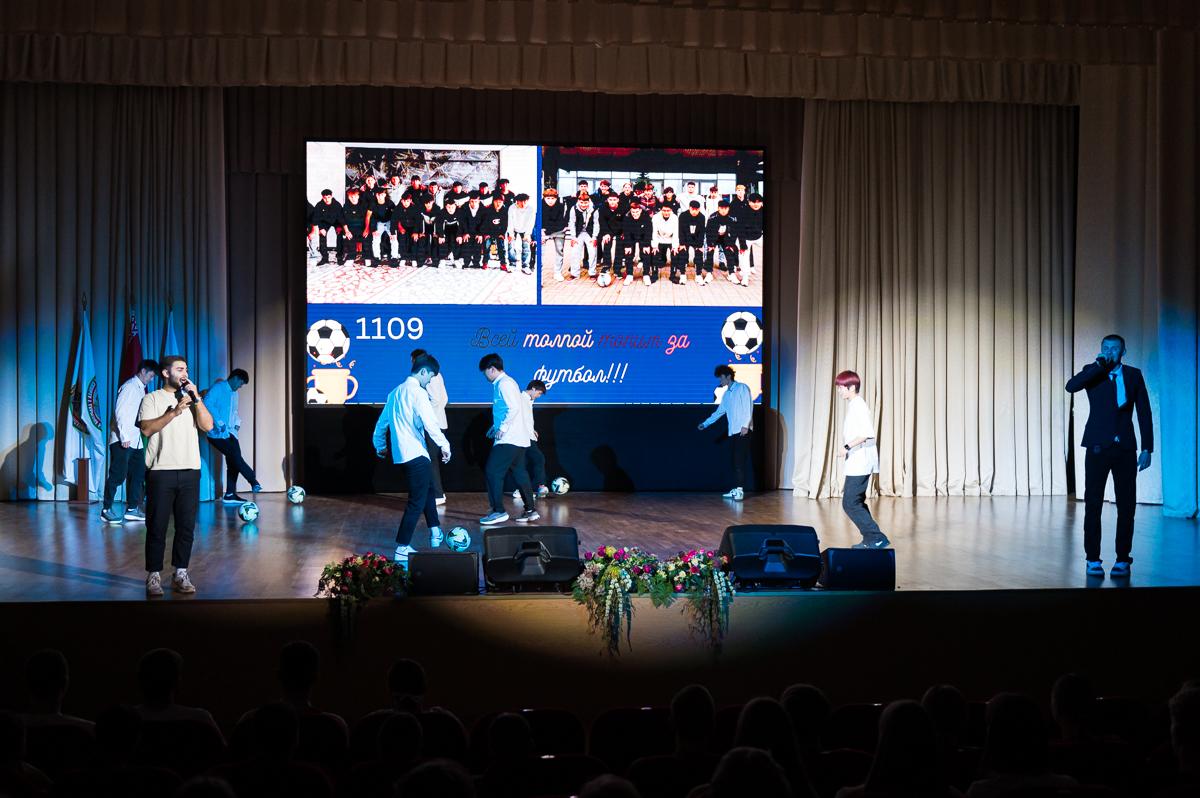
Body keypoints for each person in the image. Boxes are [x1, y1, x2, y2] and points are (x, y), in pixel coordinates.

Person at [1065, 334, 1153, 577]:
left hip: (1125, 448)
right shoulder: (1093, 371)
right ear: (1101, 349)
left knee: (1126, 505)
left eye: (1114, 348)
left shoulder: (1133, 375)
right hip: (1097, 447)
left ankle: (1123, 559)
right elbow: (1071, 386)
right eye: (1106, 348)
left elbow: (1144, 412)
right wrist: (1098, 366)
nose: (1110, 351)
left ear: (1123, 351)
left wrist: (1147, 448)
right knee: (1093, 503)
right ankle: (1092, 558)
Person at [137, 355, 213, 596]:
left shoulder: (192, 399)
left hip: (190, 470)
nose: (185, 374)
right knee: (157, 526)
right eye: (180, 369)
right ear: (165, 373)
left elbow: (208, 426)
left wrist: (196, 398)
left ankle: (181, 573)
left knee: (186, 527)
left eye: (186, 370)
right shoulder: (151, 398)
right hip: (161, 471)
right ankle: (154, 576)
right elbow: (146, 429)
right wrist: (174, 412)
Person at [372, 353, 451, 564]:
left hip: (403, 456)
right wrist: (445, 445)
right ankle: (402, 547)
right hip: (416, 454)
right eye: (430, 376)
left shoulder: (394, 393)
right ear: (423, 371)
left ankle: (435, 530)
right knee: (417, 501)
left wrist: (380, 446)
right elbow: (431, 424)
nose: (430, 381)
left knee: (427, 489)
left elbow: (381, 425)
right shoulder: (417, 393)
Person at [479, 353, 537, 525]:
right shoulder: (507, 383)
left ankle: (498, 511)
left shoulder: (504, 383)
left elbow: (513, 408)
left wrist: (503, 428)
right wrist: (496, 426)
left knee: (492, 471)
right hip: (517, 438)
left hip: (509, 438)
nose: (485, 376)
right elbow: (508, 409)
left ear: (492, 369)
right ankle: (530, 510)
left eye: (485, 372)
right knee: (519, 473)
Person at [835, 370, 889, 548]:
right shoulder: (854, 405)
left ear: (851, 387)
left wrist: (846, 447)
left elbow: (866, 433)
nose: (839, 390)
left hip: (861, 460)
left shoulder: (858, 405)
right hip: (858, 460)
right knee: (855, 501)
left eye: (841, 387)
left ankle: (876, 537)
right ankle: (872, 538)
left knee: (850, 503)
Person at [101, 358, 159, 524]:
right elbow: (120, 411)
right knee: (117, 475)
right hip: (122, 440)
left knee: (138, 474)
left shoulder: (140, 389)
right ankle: (106, 509)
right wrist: (124, 436)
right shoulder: (130, 387)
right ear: (143, 371)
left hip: (136, 441)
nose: (151, 379)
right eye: (151, 375)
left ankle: (132, 509)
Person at [697, 365, 753, 501]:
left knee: (739, 461)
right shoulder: (726, 395)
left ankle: (740, 490)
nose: (720, 381)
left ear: (728, 376)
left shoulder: (742, 388)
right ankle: (736, 488)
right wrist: (705, 423)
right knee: (734, 462)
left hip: (743, 430)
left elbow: (748, 407)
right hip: (733, 432)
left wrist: (745, 425)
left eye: (721, 378)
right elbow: (719, 412)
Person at [205, 369, 261, 504]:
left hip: (230, 433)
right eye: (241, 383)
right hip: (216, 434)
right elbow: (207, 403)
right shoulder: (218, 388)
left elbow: (234, 412)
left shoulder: (235, 394)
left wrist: (237, 423)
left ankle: (230, 494)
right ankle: (253, 481)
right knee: (236, 458)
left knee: (233, 462)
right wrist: (218, 421)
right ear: (235, 378)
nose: (240, 386)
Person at [411, 349, 449, 506]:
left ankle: (438, 495)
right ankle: (436, 493)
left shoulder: (429, 375)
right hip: (439, 422)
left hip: (433, 425)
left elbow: (437, 400)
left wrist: (427, 418)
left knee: (430, 460)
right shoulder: (437, 375)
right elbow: (444, 399)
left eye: (413, 361)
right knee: (430, 460)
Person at [509, 380, 550, 500]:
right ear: (533, 388)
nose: (539, 396)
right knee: (532, 460)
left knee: (529, 461)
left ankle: (527, 489)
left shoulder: (529, 400)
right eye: (539, 393)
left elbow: (526, 418)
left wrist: (532, 430)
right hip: (521, 436)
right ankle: (532, 488)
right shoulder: (520, 398)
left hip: (528, 435)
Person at [566, 192, 599, 278]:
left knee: (592, 252)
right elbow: (572, 223)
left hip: (590, 233)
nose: (583, 205)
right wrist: (573, 237)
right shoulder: (574, 209)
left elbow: (596, 223)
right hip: (578, 233)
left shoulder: (594, 209)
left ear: (589, 201)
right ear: (578, 201)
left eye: (585, 202)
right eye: (581, 202)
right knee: (575, 252)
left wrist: (594, 237)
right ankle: (574, 274)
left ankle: (592, 273)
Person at [308, 190, 344, 266]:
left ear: (331, 196)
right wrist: (321, 228)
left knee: (340, 235)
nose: (327, 199)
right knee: (322, 235)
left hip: (336, 222)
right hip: (324, 222)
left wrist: (339, 226)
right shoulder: (319, 205)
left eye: (328, 197)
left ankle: (339, 257)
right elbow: (316, 218)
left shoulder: (337, 205)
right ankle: (324, 258)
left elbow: (341, 217)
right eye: (325, 198)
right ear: (322, 197)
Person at [619, 202, 652, 286]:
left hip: (643, 236)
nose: (635, 214)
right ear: (630, 210)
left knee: (646, 252)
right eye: (633, 212)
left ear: (640, 210)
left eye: (637, 212)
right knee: (628, 253)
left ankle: (646, 274)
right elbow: (626, 233)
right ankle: (629, 275)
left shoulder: (646, 217)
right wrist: (627, 246)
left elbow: (649, 231)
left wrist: (646, 245)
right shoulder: (627, 217)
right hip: (631, 236)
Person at [679, 200, 710, 285]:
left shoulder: (702, 217)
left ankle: (698, 274)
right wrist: (682, 244)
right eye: (693, 209)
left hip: (696, 238)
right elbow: (680, 231)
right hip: (685, 237)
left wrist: (700, 245)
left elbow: (702, 232)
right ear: (689, 208)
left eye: (696, 210)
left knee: (699, 253)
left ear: (699, 209)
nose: (694, 211)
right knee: (682, 252)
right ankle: (682, 274)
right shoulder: (683, 216)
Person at [651, 203, 683, 284]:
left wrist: (675, 246)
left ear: (671, 210)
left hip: (670, 239)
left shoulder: (675, 218)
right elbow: (654, 232)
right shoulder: (655, 217)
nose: (666, 212)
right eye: (664, 210)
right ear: (661, 210)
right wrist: (654, 246)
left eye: (668, 211)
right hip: (659, 238)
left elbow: (676, 233)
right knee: (654, 253)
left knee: (675, 254)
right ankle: (654, 275)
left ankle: (673, 275)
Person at [541, 188, 568, 281]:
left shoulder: (560, 206)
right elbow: (541, 221)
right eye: (548, 198)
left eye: (552, 198)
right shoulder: (540, 206)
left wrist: (547, 229)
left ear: (556, 198)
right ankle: (540, 274)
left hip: (558, 230)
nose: (550, 201)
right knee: (540, 252)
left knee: (559, 251)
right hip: (544, 231)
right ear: (544, 198)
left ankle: (557, 273)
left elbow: (560, 222)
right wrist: (542, 231)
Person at [339, 188, 371, 266]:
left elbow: (368, 218)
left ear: (358, 196)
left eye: (355, 196)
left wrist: (367, 229)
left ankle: (367, 257)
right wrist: (346, 231)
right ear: (348, 197)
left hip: (362, 228)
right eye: (351, 197)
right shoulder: (346, 206)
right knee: (349, 237)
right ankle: (351, 258)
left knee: (367, 237)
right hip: (351, 229)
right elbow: (343, 220)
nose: (353, 199)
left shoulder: (364, 205)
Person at [738, 192, 764, 282]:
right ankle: (745, 277)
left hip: (759, 237)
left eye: (758, 202)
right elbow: (740, 229)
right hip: (746, 238)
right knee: (744, 256)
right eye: (753, 202)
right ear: (749, 202)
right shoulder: (743, 212)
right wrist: (742, 244)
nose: (756, 204)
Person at [369, 186, 397, 267]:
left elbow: (395, 216)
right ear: (376, 195)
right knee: (375, 238)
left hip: (389, 222)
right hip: (379, 222)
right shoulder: (373, 203)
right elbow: (372, 217)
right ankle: (376, 257)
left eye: (382, 194)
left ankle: (394, 257)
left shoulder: (390, 203)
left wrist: (393, 230)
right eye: (378, 195)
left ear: (385, 195)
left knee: (394, 238)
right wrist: (373, 229)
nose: (380, 196)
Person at [508, 193, 535, 274]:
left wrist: (528, 234)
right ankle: (512, 265)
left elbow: (531, 223)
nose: (523, 204)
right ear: (517, 201)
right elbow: (510, 221)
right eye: (521, 202)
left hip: (525, 229)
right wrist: (511, 234)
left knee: (526, 247)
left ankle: (525, 266)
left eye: (525, 202)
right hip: (514, 228)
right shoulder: (512, 208)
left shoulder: (531, 209)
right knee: (511, 246)